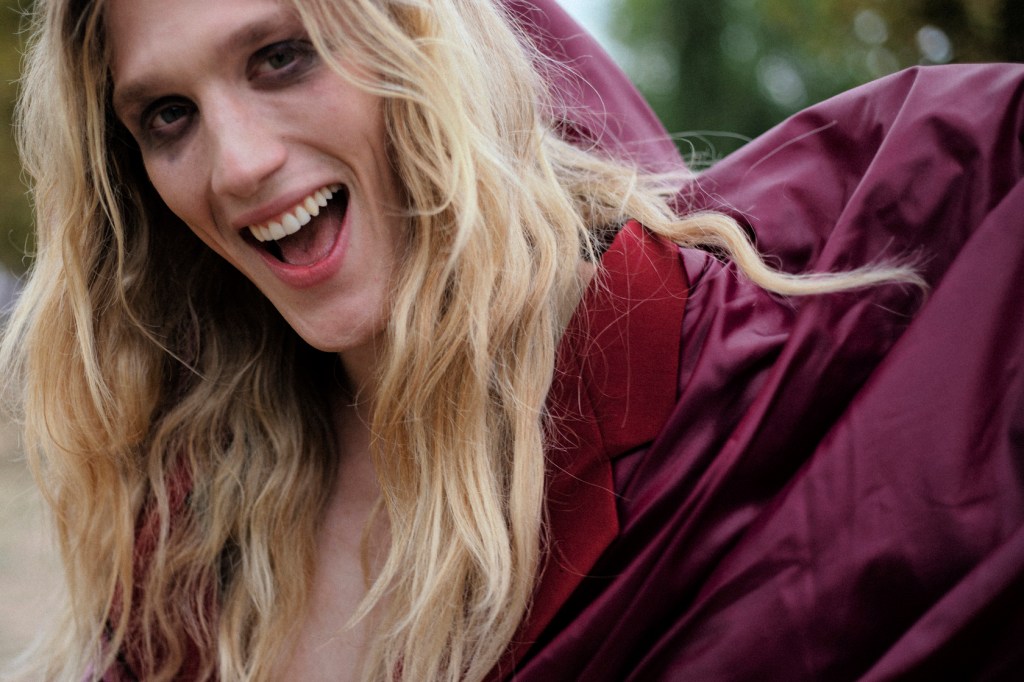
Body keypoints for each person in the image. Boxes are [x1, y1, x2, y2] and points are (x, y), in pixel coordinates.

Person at [2, 0, 1022, 681]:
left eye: (281, 56)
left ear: (416, 40)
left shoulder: (720, 364)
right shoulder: (190, 536)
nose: (235, 165)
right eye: (168, 115)